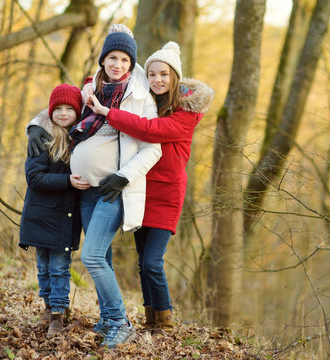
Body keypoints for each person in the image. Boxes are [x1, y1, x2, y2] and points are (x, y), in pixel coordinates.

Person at [27, 25, 161, 348]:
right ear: (103, 60)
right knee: (105, 256)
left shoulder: (140, 97)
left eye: (124, 60)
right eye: (112, 57)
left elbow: (153, 148)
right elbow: (60, 111)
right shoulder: (93, 90)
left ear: (131, 64)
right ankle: (106, 318)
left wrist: (123, 176)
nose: (117, 64)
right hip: (85, 191)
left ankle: (119, 320)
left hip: (113, 190)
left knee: (92, 256)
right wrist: (35, 125)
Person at [86, 41, 214, 332]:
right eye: (153, 74)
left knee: (154, 262)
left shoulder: (186, 115)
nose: (157, 80)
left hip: (167, 193)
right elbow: (108, 79)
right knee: (143, 262)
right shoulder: (149, 101)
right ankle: (151, 320)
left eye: (164, 75)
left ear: (175, 78)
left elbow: (150, 130)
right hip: (140, 189)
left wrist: (108, 112)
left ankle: (165, 321)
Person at [19, 84, 90, 337]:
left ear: (77, 112)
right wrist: (67, 181)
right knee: (43, 266)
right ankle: (48, 307)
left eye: (68, 108)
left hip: (65, 217)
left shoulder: (82, 138)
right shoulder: (42, 138)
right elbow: (34, 178)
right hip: (40, 215)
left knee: (60, 267)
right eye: (57, 108)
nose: (62, 113)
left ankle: (58, 315)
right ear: (50, 112)